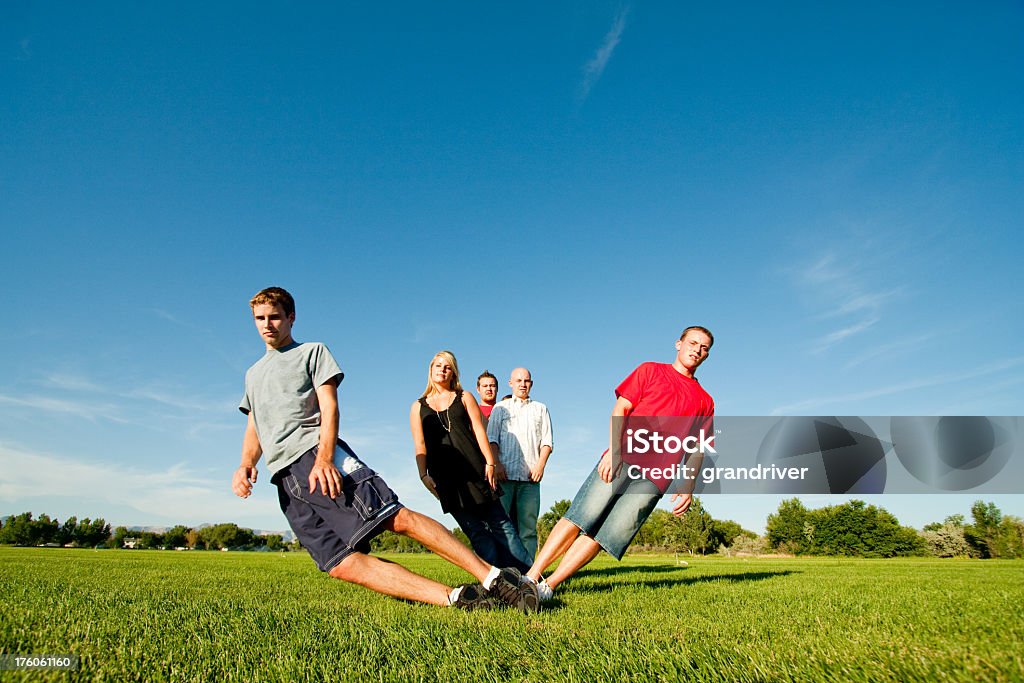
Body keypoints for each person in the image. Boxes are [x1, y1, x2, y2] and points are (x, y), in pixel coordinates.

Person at [232, 287, 538, 612]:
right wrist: (245, 463)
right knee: (340, 563)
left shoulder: (311, 353)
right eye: (260, 319)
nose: (267, 325)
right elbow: (256, 424)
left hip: (318, 456)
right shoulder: (253, 375)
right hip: (285, 480)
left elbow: (330, 407)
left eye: (275, 317)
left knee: (394, 518)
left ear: (291, 317)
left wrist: (324, 457)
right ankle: (455, 597)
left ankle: (492, 577)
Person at [525, 327, 715, 601]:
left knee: (605, 535)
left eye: (704, 347)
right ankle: (531, 576)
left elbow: (696, 448)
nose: (697, 349)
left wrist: (688, 486)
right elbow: (621, 409)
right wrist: (613, 452)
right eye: (693, 343)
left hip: (655, 478)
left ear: (708, 354)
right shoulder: (650, 370)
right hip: (623, 458)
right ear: (678, 343)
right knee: (579, 518)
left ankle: (548, 586)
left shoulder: (705, 401)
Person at [410, 353, 532, 572]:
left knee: (501, 524)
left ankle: (529, 575)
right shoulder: (418, 407)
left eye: (447, 367)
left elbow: (479, 432)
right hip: (445, 478)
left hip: (476, 470)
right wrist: (423, 475)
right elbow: (420, 444)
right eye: (438, 366)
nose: (442, 370)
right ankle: (501, 580)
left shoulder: (464, 397)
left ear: (453, 372)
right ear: (430, 370)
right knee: (475, 531)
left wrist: (490, 463)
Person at [486, 368, 553, 560]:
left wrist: (541, 465)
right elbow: (492, 439)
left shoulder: (540, 408)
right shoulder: (500, 408)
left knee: (528, 528)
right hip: (504, 476)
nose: (523, 384)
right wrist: (496, 463)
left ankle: (528, 572)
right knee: (500, 526)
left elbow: (547, 441)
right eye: (519, 381)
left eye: (526, 381)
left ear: (531, 383)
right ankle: (500, 571)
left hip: (530, 479)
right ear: (510, 383)